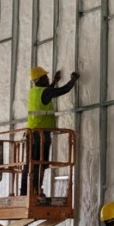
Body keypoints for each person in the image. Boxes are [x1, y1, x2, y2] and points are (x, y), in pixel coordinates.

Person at [23, 66, 78, 197]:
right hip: (40, 135)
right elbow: (62, 90)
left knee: (30, 163)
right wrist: (73, 80)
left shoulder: (34, 92)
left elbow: (48, 92)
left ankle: (25, 192)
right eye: (46, 77)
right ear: (40, 79)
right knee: (40, 163)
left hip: (31, 133)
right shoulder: (44, 92)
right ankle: (35, 191)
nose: (47, 79)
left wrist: (54, 81)